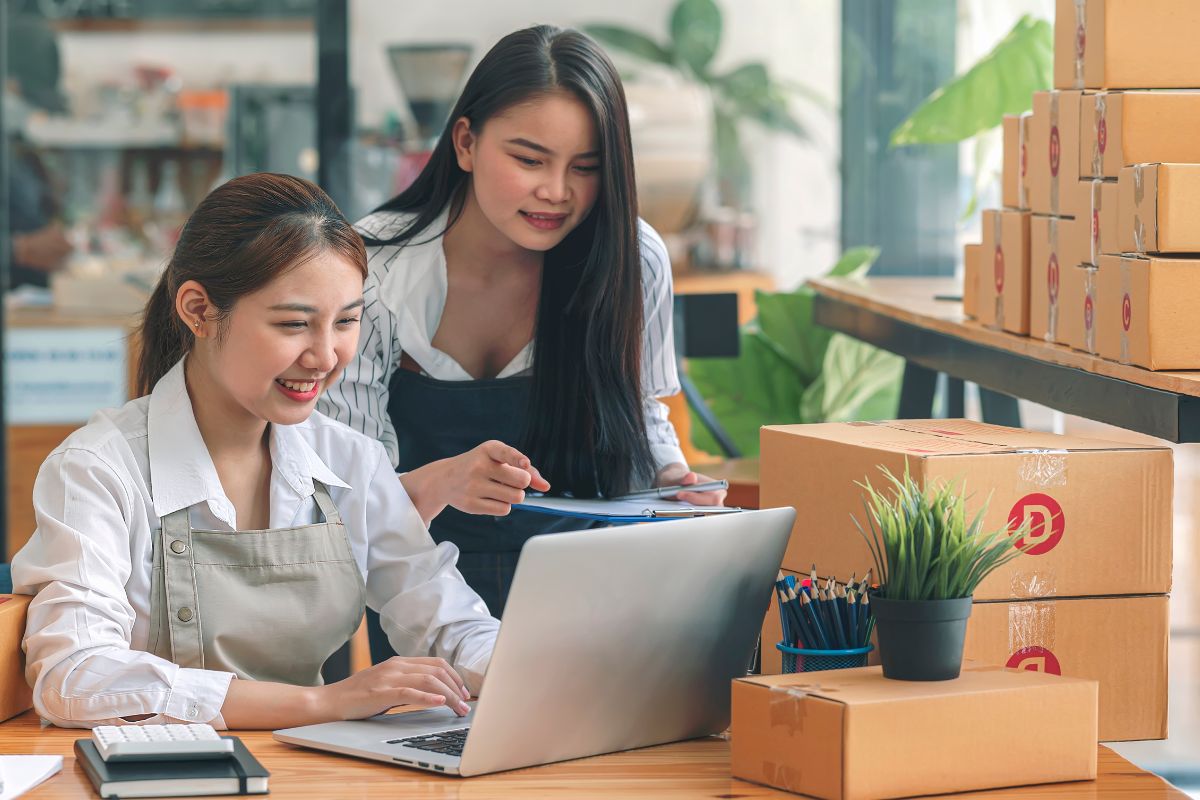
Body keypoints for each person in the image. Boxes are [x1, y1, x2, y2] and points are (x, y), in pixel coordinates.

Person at [11, 173, 497, 729]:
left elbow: (445, 622)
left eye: (346, 321)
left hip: (313, 772)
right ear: (197, 310)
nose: (325, 355)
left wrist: (525, 666)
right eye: (293, 324)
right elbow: (74, 677)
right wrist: (323, 703)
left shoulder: (350, 462)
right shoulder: (98, 469)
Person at [318, 25, 726, 626]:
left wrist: (671, 478)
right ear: (465, 143)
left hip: (597, 586)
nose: (556, 192)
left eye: (585, 167)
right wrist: (443, 480)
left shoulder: (631, 257)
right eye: (529, 159)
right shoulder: (371, 267)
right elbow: (346, 481)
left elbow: (639, 407)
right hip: (421, 587)